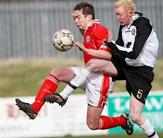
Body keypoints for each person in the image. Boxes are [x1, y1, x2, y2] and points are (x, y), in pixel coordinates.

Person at [15, 1, 133, 135]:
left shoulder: (98, 29)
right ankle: (34, 108)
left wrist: (86, 49)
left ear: (89, 17)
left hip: (100, 80)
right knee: (56, 73)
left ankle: (122, 121)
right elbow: (90, 37)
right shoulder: (89, 29)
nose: (75, 21)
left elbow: (107, 55)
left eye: (78, 17)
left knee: (92, 124)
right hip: (86, 73)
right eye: (74, 18)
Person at [46, 0, 160, 138]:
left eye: (120, 15)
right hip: (125, 66)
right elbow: (117, 48)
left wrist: (109, 43)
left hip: (141, 72)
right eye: (116, 15)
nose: (117, 18)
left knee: (135, 116)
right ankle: (63, 95)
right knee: (94, 63)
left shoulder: (143, 24)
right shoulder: (123, 26)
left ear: (130, 13)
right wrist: (93, 39)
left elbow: (133, 53)